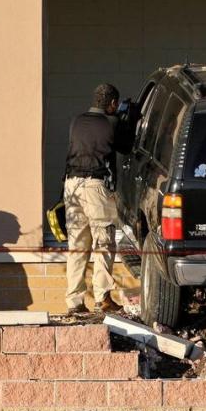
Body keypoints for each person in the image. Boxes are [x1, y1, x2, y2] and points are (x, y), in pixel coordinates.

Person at [63, 83, 131, 315]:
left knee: (77, 245)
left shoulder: (76, 121)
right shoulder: (112, 123)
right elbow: (126, 146)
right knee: (103, 242)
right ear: (113, 104)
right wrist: (126, 120)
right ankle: (102, 298)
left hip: (71, 185)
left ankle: (74, 302)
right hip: (95, 186)